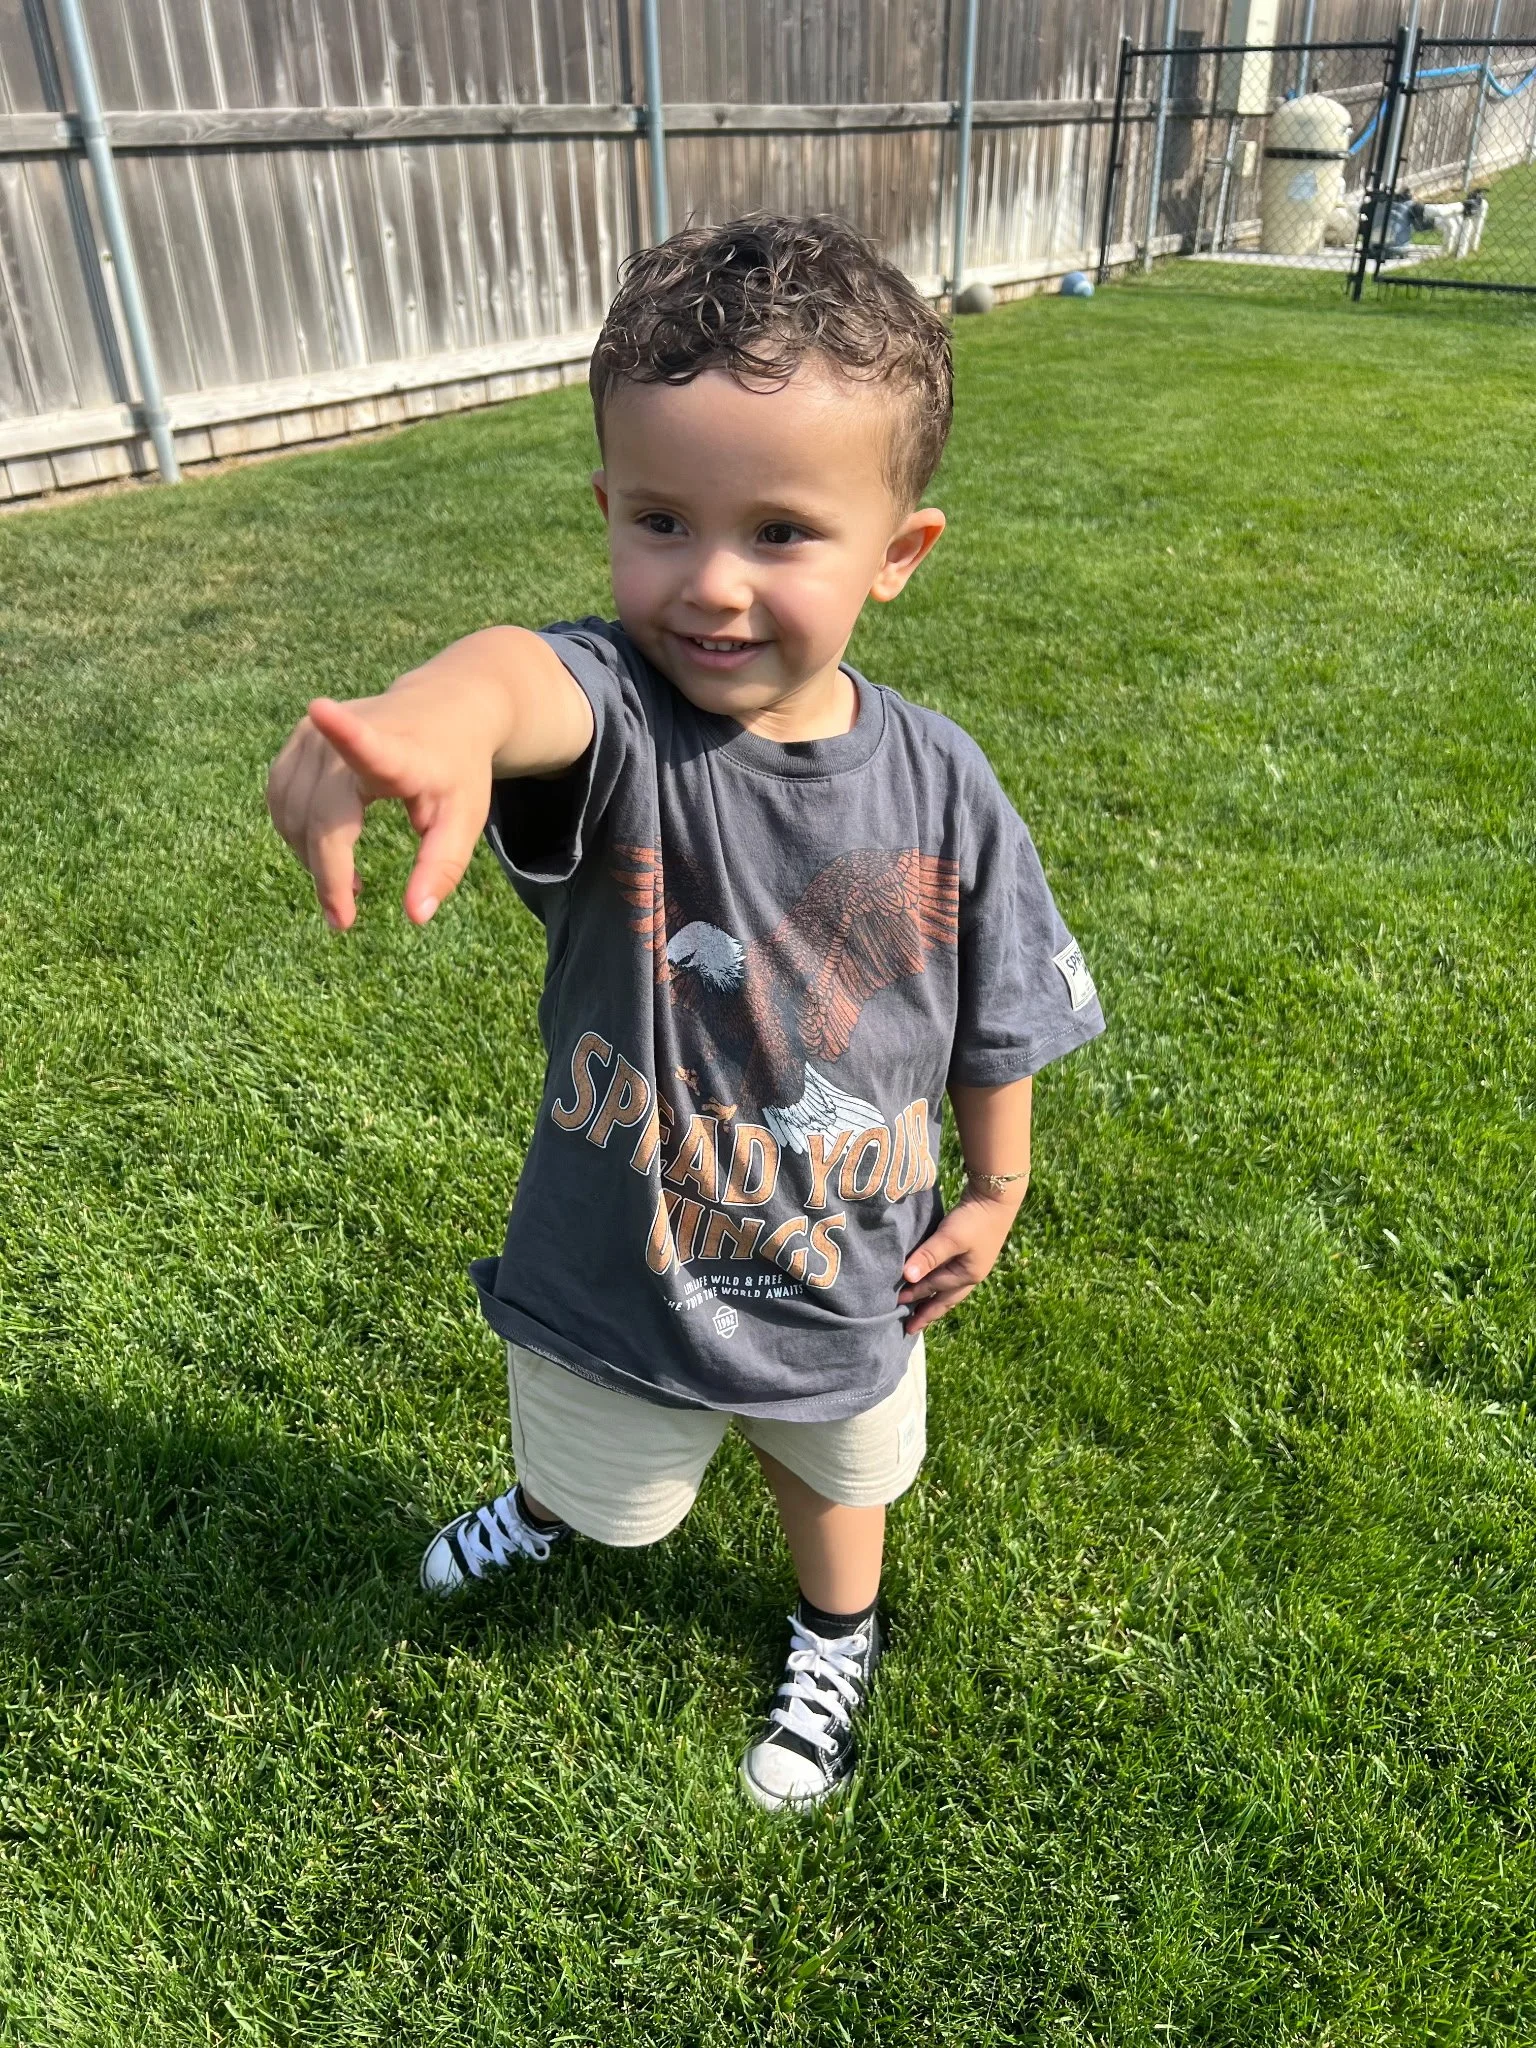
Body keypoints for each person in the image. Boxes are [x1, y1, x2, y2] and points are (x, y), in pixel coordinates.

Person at [266, 213, 1104, 1812]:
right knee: (604, 1470)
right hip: (617, 1255)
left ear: (898, 554)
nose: (710, 585)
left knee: (833, 1470)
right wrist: (431, 710)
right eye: (661, 519)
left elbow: (1001, 1013)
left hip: (840, 1259)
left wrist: (995, 1191)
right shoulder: (623, 726)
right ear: (605, 512)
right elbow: (527, 678)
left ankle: (833, 1632)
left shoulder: (946, 788)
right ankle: (553, 1512)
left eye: (782, 530)